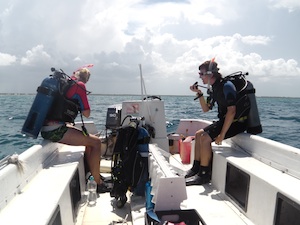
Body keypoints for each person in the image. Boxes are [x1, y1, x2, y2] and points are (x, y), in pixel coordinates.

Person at [41, 68, 110, 193]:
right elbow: (87, 113)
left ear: (74, 74)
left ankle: (94, 175)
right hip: (55, 130)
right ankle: (98, 183)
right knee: (96, 143)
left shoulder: (66, 83)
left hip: (47, 127)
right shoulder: (80, 86)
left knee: (90, 139)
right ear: (86, 79)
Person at [185, 60, 249, 185]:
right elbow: (206, 109)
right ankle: (196, 169)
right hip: (226, 120)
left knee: (205, 138)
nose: (200, 77)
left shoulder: (226, 86)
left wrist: (222, 134)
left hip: (237, 122)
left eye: (201, 74)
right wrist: (199, 94)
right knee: (198, 134)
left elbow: (232, 111)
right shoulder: (214, 88)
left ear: (210, 74)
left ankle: (204, 175)